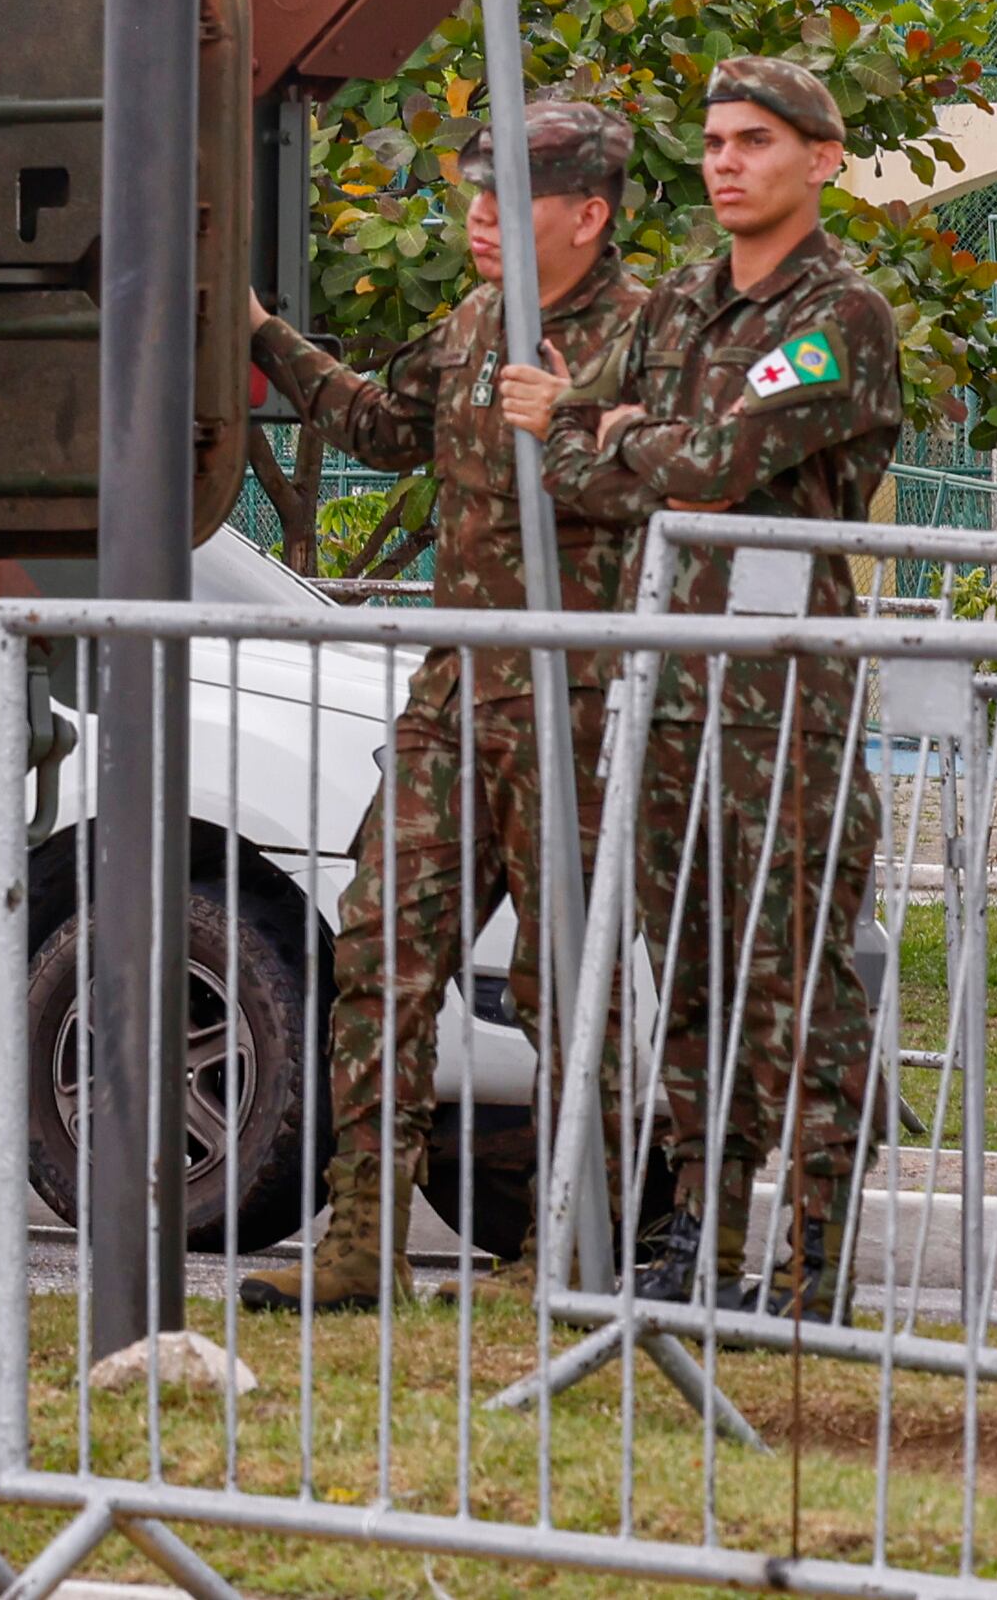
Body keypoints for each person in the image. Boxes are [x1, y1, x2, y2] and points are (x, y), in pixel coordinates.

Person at [236, 98, 653, 1312]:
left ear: (586, 213)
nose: (477, 215)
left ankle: (570, 1253)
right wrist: (261, 334)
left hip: (577, 705)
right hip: (455, 694)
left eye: (507, 195)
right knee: (380, 949)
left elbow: (689, 484)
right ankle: (361, 1243)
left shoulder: (647, 335)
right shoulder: (472, 320)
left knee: (566, 981)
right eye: (472, 190)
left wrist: (580, 423)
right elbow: (381, 427)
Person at [559, 56, 902, 1320]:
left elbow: (707, 466)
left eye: (752, 140)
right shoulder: (678, 303)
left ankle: (810, 1262)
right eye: (711, 142)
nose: (723, 163)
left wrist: (629, 440)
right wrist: (621, 444)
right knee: (690, 973)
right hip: (669, 687)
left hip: (779, 695)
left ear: (820, 158)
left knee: (791, 974)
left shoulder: (840, 314)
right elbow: (566, 450)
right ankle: (697, 1238)